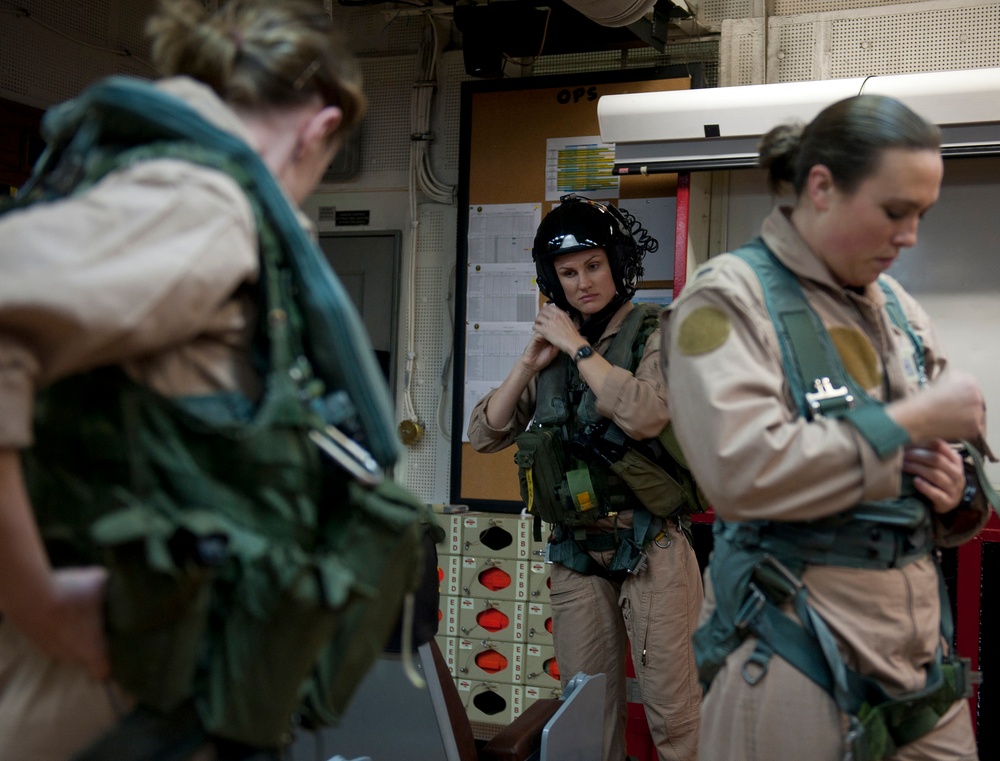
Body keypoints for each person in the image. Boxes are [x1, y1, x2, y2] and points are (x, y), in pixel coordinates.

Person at [0, 1, 426, 760]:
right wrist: (39, 599)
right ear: (318, 129)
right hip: (117, 703)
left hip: (154, 685)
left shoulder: (150, 184)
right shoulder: (203, 203)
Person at [662, 93, 996, 761]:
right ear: (821, 187)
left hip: (916, 653)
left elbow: (952, 469)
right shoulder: (725, 299)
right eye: (895, 211)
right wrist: (911, 419)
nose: (910, 237)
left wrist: (956, 487)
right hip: (793, 646)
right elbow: (740, 474)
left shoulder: (898, 309)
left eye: (922, 215)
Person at [467, 195, 703, 761]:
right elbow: (484, 433)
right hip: (576, 551)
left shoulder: (657, 329)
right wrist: (530, 361)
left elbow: (647, 413)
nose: (583, 283)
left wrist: (577, 348)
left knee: (675, 713)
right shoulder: (549, 352)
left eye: (593, 266)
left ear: (616, 263)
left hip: (651, 542)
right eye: (567, 274)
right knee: (586, 710)